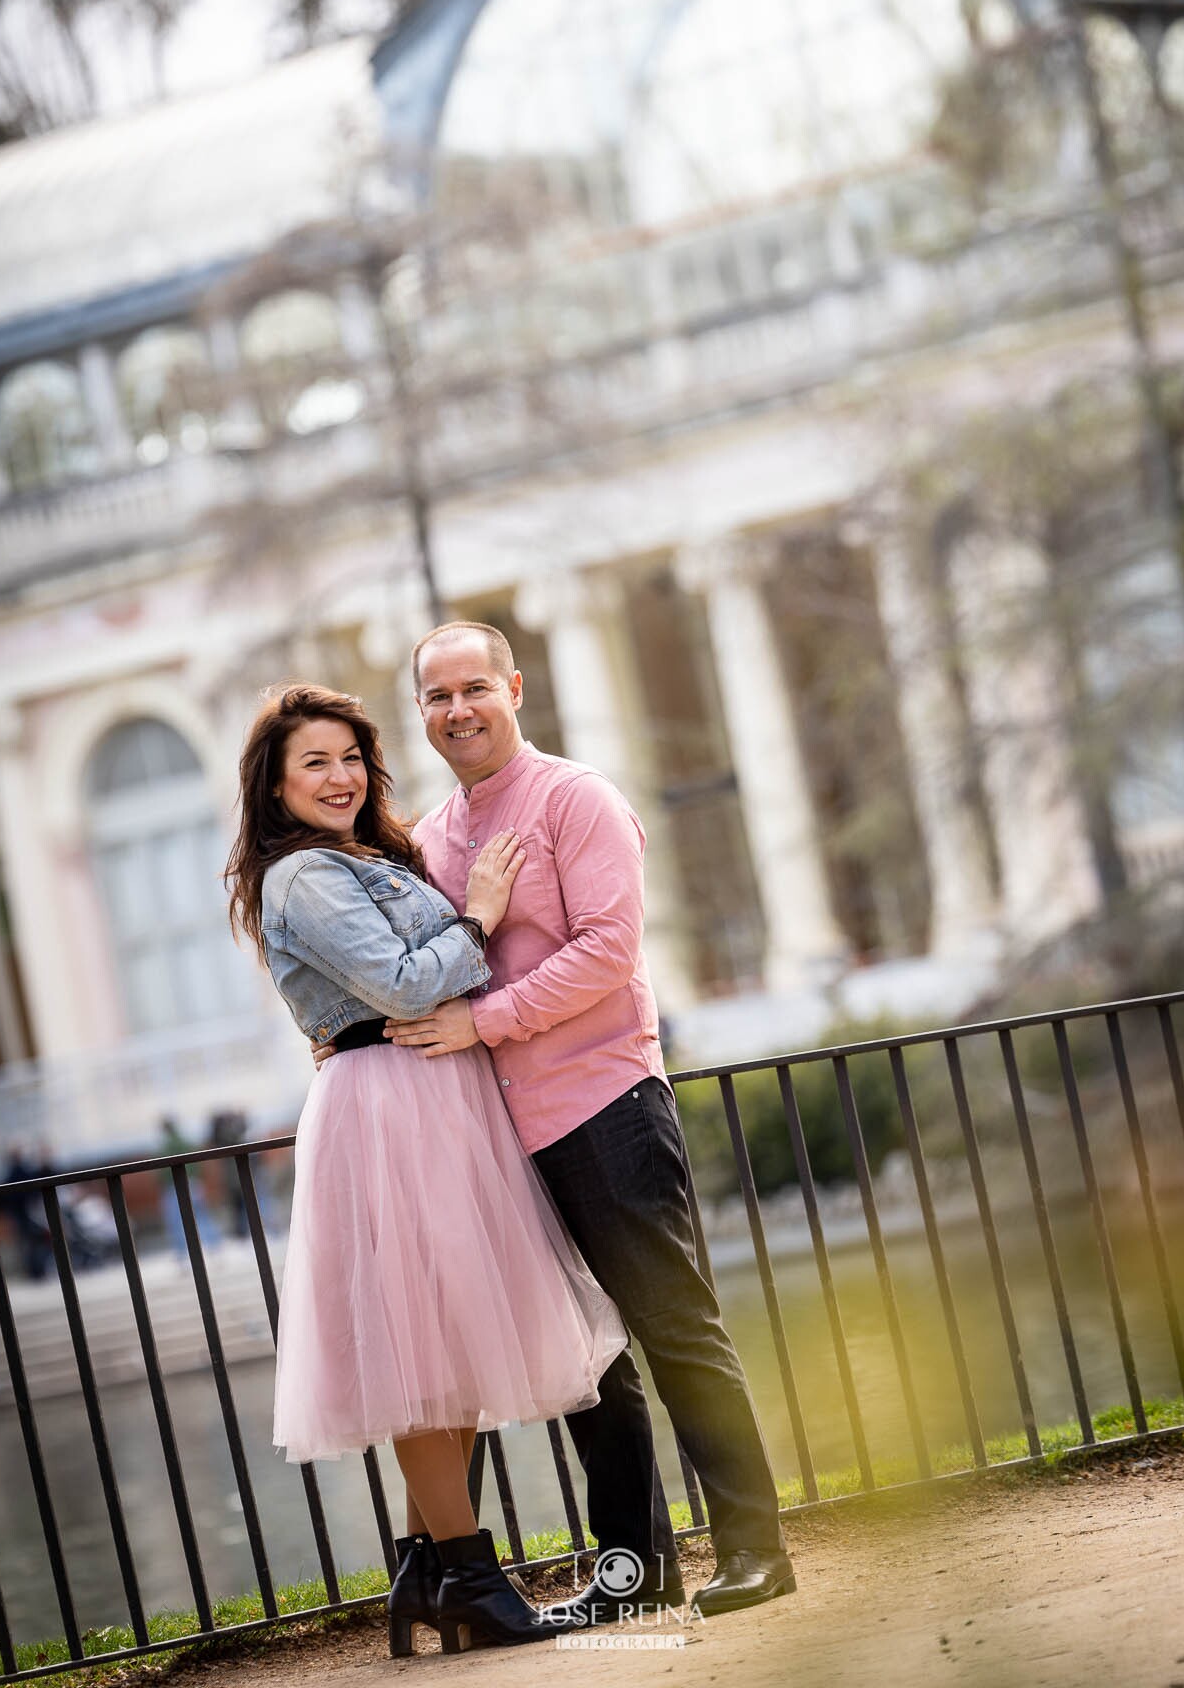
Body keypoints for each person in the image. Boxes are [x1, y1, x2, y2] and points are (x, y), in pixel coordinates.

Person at [321, 621, 796, 1622]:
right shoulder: (433, 837)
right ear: (421, 711)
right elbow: (429, 967)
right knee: (590, 1362)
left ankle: (755, 1548)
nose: (458, 709)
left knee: (673, 1327)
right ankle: (635, 1575)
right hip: (501, 1137)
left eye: (475, 687)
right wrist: (352, 1034)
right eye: (438, 696)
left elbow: (608, 950)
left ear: (515, 688)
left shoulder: (576, 799)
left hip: (604, 1103)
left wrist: (483, 1020)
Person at [226, 683, 626, 1653]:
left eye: (350, 758)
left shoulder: (371, 855)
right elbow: (402, 985)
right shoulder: (302, 874)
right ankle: (472, 1579)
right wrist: (478, 916)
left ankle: (424, 1569)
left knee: (443, 1340)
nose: (339, 777)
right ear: (275, 786)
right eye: (314, 763)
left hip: (435, 1095)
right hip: (388, 1106)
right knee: (420, 1348)